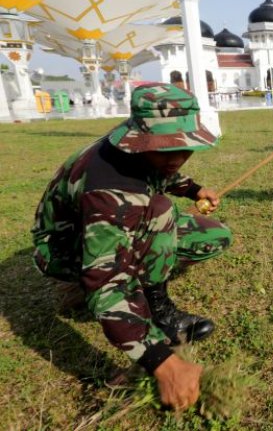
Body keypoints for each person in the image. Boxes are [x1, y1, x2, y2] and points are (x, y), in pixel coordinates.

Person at [31, 83, 233, 411]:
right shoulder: (107, 191)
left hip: (115, 223)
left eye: (185, 147)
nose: (178, 158)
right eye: (167, 148)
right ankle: (137, 306)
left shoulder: (138, 147)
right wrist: (162, 363)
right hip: (66, 247)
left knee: (212, 235)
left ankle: (148, 292)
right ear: (141, 140)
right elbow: (106, 286)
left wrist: (195, 190)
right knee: (159, 213)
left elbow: (163, 172)